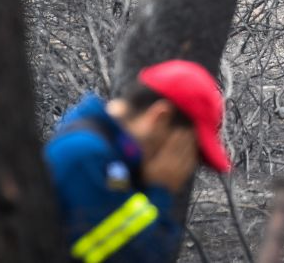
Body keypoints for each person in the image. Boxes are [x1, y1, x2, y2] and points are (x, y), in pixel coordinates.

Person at [44, 60, 231, 263]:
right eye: (190, 150)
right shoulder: (86, 156)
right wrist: (160, 189)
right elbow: (134, 257)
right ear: (160, 118)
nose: (187, 167)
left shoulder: (112, 159)